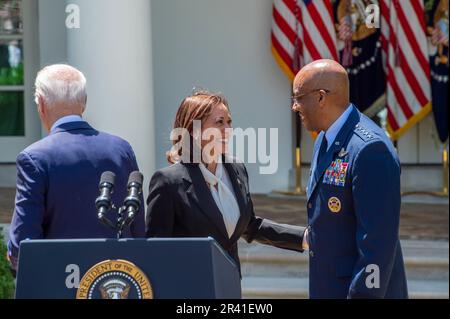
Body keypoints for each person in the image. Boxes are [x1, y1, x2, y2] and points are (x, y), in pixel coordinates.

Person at [146, 90, 306, 273]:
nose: (228, 130)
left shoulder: (237, 170)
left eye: (229, 122)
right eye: (219, 122)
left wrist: (304, 237)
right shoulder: (167, 182)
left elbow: (251, 226)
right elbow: (156, 250)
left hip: (229, 286)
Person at [7, 64, 145, 271]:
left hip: (59, 281)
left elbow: (23, 245)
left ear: (41, 103)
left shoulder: (34, 158)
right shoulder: (121, 149)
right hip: (116, 280)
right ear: (84, 104)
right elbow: (138, 229)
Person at [292, 59, 408, 298]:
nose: (295, 106)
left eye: (299, 97)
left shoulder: (370, 149)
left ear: (321, 97)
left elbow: (377, 246)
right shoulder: (323, 140)